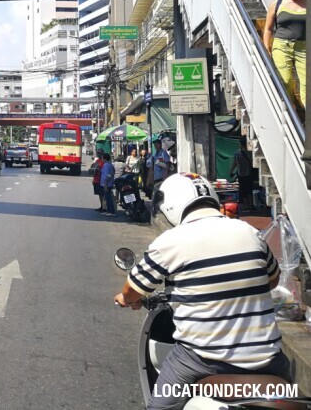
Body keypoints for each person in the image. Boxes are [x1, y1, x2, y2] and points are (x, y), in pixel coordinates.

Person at [114, 173, 288, 410]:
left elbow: (133, 288)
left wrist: (125, 299)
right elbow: (273, 280)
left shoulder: (171, 241)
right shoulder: (249, 232)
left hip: (202, 360)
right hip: (269, 361)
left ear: (171, 206)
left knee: (159, 406)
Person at [264, 0, 307, 113]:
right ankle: (289, 110)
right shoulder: (277, 4)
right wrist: (266, 47)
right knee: (286, 80)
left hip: (304, 47)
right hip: (282, 45)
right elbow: (268, 29)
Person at [230, 136, 254, 211]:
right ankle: (251, 204)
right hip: (249, 173)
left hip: (241, 174)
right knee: (249, 189)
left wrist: (231, 172)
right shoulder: (250, 152)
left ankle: (246, 205)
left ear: (240, 144)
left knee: (243, 190)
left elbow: (234, 164)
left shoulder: (237, 153)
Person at [100, 152, 116, 216]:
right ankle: (108, 210)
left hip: (107, 184)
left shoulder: (106, 165)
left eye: (102, 157)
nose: (101, 158)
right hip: (108, 183)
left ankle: (111, 211)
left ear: (104, 158)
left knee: (108, 198)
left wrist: (106, 184)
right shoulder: (109, 164)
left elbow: (108, 175)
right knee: (107, 198)